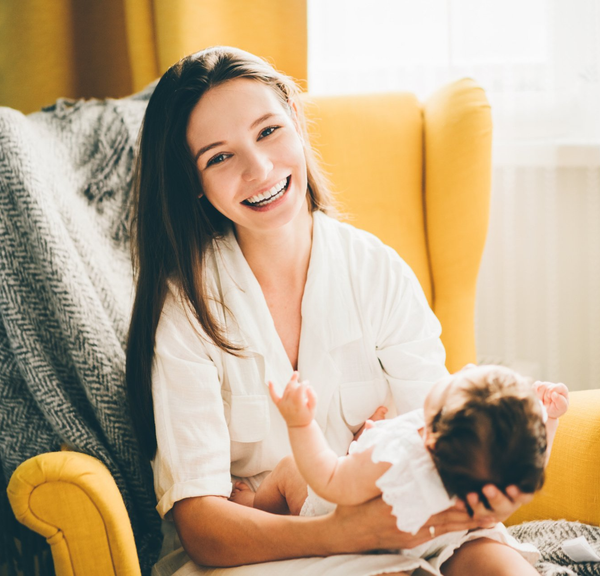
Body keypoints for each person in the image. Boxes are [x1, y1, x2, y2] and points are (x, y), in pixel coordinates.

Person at [126, 46, 538, 576]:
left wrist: (484, 484)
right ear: (194, 185)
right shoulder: (187, 310)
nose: (259, 167)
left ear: (297, 125)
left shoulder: (377, 271)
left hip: (412, 521)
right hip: (267, 554)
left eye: (269, 131)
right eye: (219, 157)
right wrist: (342, 532)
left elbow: (442, 440)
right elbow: (205, 528)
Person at [230, 365, 569, 572]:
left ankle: (255, 504)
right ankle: (255, 507)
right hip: (405, 538)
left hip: (403, 537)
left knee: (291, 468)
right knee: (507, 567)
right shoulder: (488, 489)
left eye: (460, 378)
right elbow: (521, 474)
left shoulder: (394, 455)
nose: (463, 368)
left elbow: (329, 477)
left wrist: (300, 424)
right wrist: (548, 421)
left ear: (429, 434)